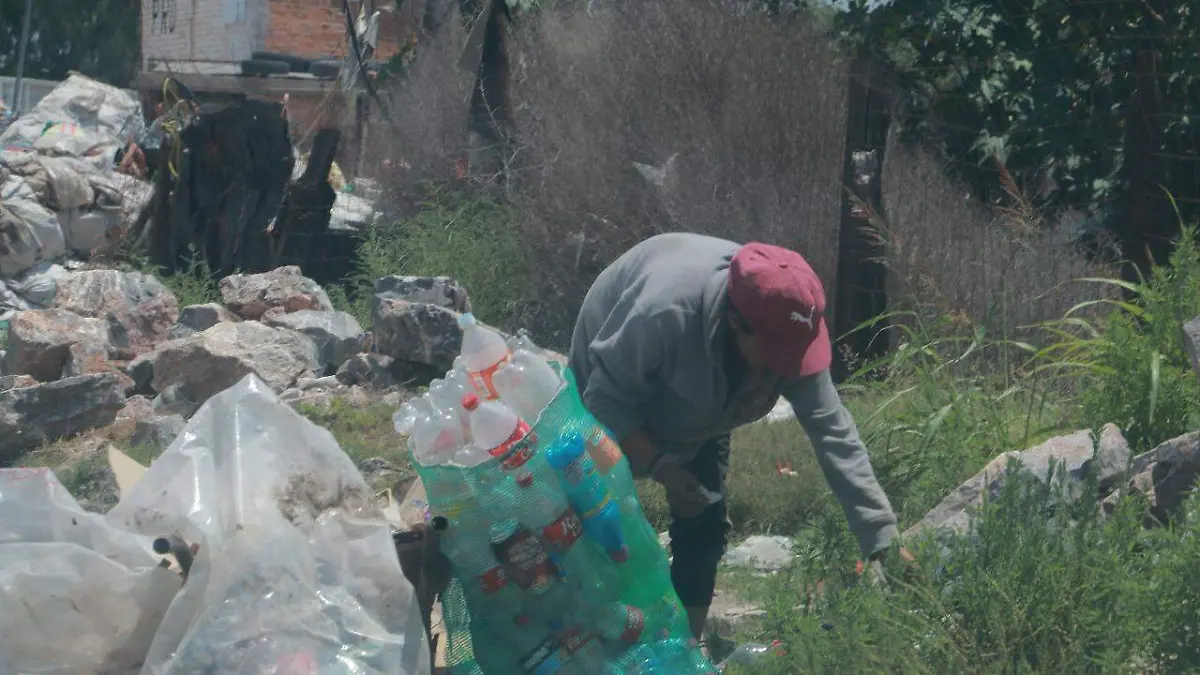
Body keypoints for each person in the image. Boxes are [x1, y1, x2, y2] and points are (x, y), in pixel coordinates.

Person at [568, 232, 912, 642]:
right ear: (735, 324)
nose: (782, 369)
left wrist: (882, 542)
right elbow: (603, 402)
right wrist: (661, 465)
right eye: (772, 354)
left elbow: (835, 435)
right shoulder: (663, 313)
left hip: (704, 409)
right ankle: (582, 643)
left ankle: (687, 653)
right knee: (598, 524)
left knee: (703, 518)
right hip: (612, 380)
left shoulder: (790, 326)